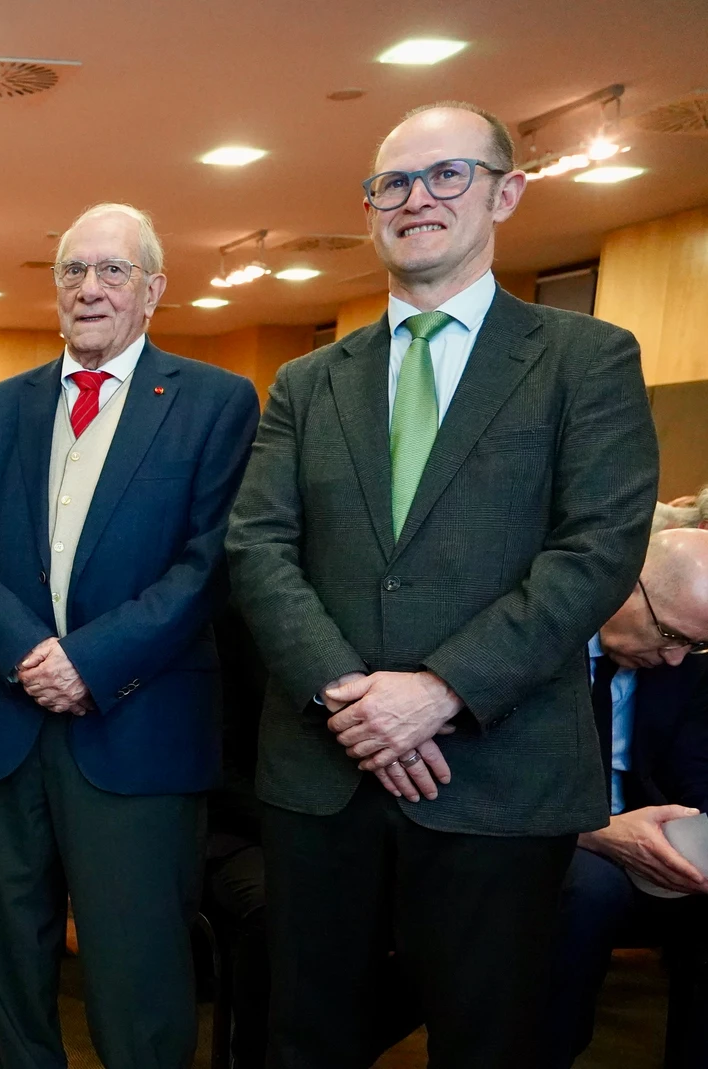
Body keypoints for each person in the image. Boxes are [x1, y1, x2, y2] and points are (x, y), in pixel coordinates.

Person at [225, 101, 660, 1069]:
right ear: (370, 207)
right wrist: (349, 697)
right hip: (319, 772)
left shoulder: (585, 359)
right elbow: (257, 545)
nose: (415, 198)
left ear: (506, 191)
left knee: (487, 1040)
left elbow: (594, 549)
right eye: (391, 182)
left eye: (445, 174)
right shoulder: (305, 381)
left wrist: (439, 690)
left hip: (499, 776)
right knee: (303, 1036)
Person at [0, 202, 259, 1069]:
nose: (89, 288)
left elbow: (208, 565)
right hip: (6, 732)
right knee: (8, 969)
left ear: (153, 291)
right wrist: (26, 656)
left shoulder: (216, 404)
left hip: (138, 734)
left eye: (113, 271)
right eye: (73, 270)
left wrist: (87, 661)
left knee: (138, 978)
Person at [542, 525, 708, 1068]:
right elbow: (488, 779)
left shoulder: (685, 661)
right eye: (671, 635)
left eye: (695, 643)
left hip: (657, 839)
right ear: (622, 585)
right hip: (551, 835)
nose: (678, 658)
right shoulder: (539, 642)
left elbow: (695, 772)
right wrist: (602, 832)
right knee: (591, 890)